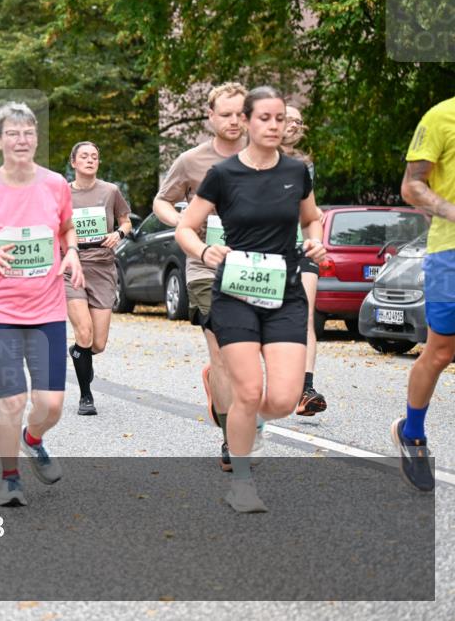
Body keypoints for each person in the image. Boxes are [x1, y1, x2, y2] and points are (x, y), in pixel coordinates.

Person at [176, 86, 326, 513]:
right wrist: (204, 251)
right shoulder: (223, 174)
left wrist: (315, 243)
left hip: (285, 292)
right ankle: (241, 482)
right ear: (246, 120)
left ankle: (242, 410)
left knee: (281, 399)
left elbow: (312, 219)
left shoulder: (297, 172)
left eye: (280, 118)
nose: (275, 126)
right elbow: (187, 226)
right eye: (265, 118)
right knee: (248, 390)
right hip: (236, 293)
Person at [0, 101, 85, 508]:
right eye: (13, 133)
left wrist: (73, 251)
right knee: (12, 399)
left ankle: (34, 439)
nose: (21, 139)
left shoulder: (55, 185)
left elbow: (66, 228)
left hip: (46, 309)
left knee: (51, 404)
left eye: (28, 132)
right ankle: (10, 478)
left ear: (36, 139)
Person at [153, 81, 248, 472]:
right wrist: (184, 224)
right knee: (225, 354)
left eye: (240, 114)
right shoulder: (192, 160)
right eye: (225, 114)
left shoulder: (264, 157)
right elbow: (162, 200)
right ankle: (231, 439)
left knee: (249, 358)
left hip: (255, 271)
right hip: (205, 269)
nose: (233, 121)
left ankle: (227, 397)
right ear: (210, 117)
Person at [392, 96, 455, 492]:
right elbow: (412, 184)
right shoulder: (441, 116)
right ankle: (412, 432)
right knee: (442, 350)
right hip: (450, 251)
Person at [65, 141, 132, 415]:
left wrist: (120, 233)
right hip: (73, 266)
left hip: (103, 266)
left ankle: (80, 354)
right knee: (84, 332)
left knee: (97, 344)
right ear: (74, 163)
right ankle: (86, 396)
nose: (90, 160)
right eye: (84, 156)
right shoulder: (61, 194)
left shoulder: (110, 191)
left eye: (94, 156)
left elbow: (126, 220)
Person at [281, 104, 327, 416]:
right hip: (262, 253)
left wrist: (317, 242)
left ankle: (305, 389)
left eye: (300, 121)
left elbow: (311, 214)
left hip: (300, 250)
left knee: (305, 316)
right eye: (290, 120)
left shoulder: (304, 166)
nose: (296, 125)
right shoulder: (246, 160)